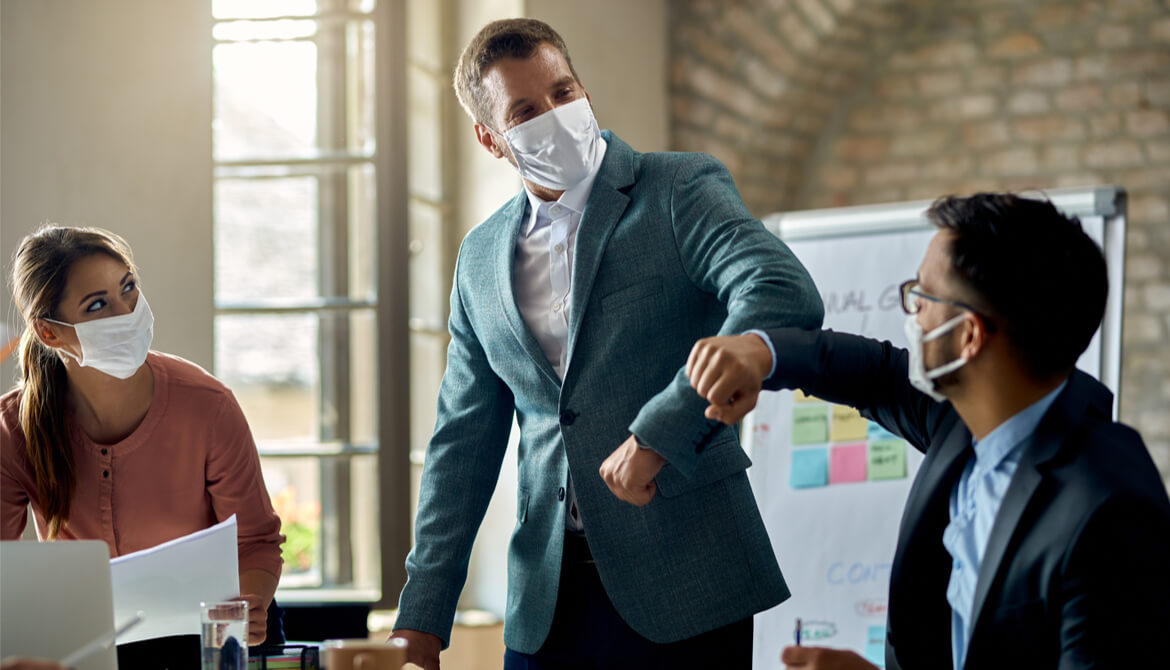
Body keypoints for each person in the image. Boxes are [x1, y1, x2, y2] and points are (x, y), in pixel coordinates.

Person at [390, 18, 824, 670]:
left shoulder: (679, 189)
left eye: (564, 92)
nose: (557, 117)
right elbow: (462, 445)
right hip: (546, 601)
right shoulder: (478, 259)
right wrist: (421, 618)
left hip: (688, 581)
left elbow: (782, 290)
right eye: (527, 111)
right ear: (490, 139)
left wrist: (660, 431)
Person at [686, 193, 1170, 669]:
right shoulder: (966, 418)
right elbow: (871, 374)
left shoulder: (1109, 510)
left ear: (968, 336)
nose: (910, 315)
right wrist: (762, 353)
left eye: (921, 297)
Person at [0, 225, 286, 659]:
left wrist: (250, 604)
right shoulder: (13, 429)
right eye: (97, 304)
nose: (127, 312)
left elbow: (255, 541)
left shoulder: (209, 406)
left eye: (128, 287)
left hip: (212, 639)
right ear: (49, 333)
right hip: (90, 645)